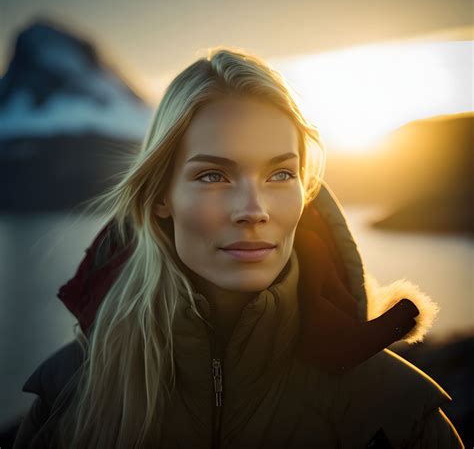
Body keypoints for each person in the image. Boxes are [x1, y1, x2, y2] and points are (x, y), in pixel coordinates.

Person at [13, 47, 464, 449]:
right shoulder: (68, 394)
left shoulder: (397, 414)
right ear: (161, 196)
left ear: (305, 191)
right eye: (213, 176)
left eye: (280, 174)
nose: (253, 210)